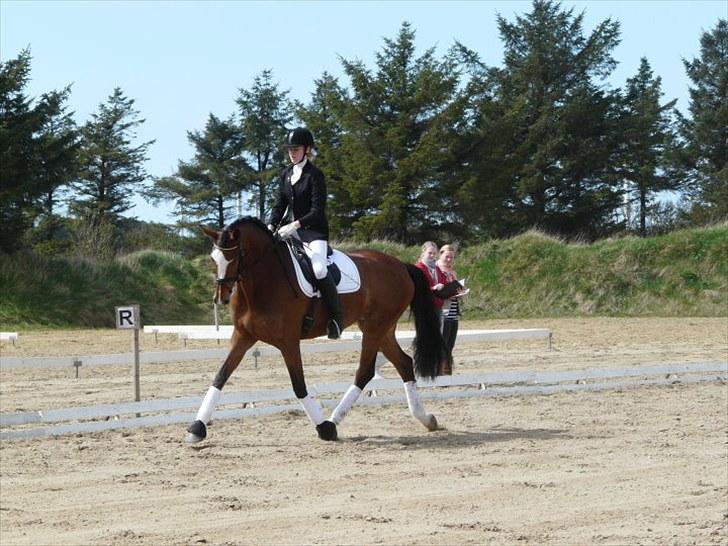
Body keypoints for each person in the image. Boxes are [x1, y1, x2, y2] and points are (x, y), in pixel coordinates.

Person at [267, 127, 343, 339]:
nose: (292, 153)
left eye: (296, 149)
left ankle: (336, 318)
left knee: (319, 269)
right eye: (289, 149)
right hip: (288, 230)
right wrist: (271, 226)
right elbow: (279, 204)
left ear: (307, 149)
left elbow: (317, 211)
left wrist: (296, 225)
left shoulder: (315, 175)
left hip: (313, 232)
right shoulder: (286, 173)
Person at [437, 244, 463, 355]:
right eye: (447, 256)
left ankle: (445, 365)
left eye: (451, 257)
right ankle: (438, 365)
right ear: (440, 254)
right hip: (442, 309)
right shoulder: (436, 270)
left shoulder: (452, 272)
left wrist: (460, 292)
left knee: (450, 341)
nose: (449, 260)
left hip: (453, 308)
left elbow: (456, 288)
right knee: (442, 339)